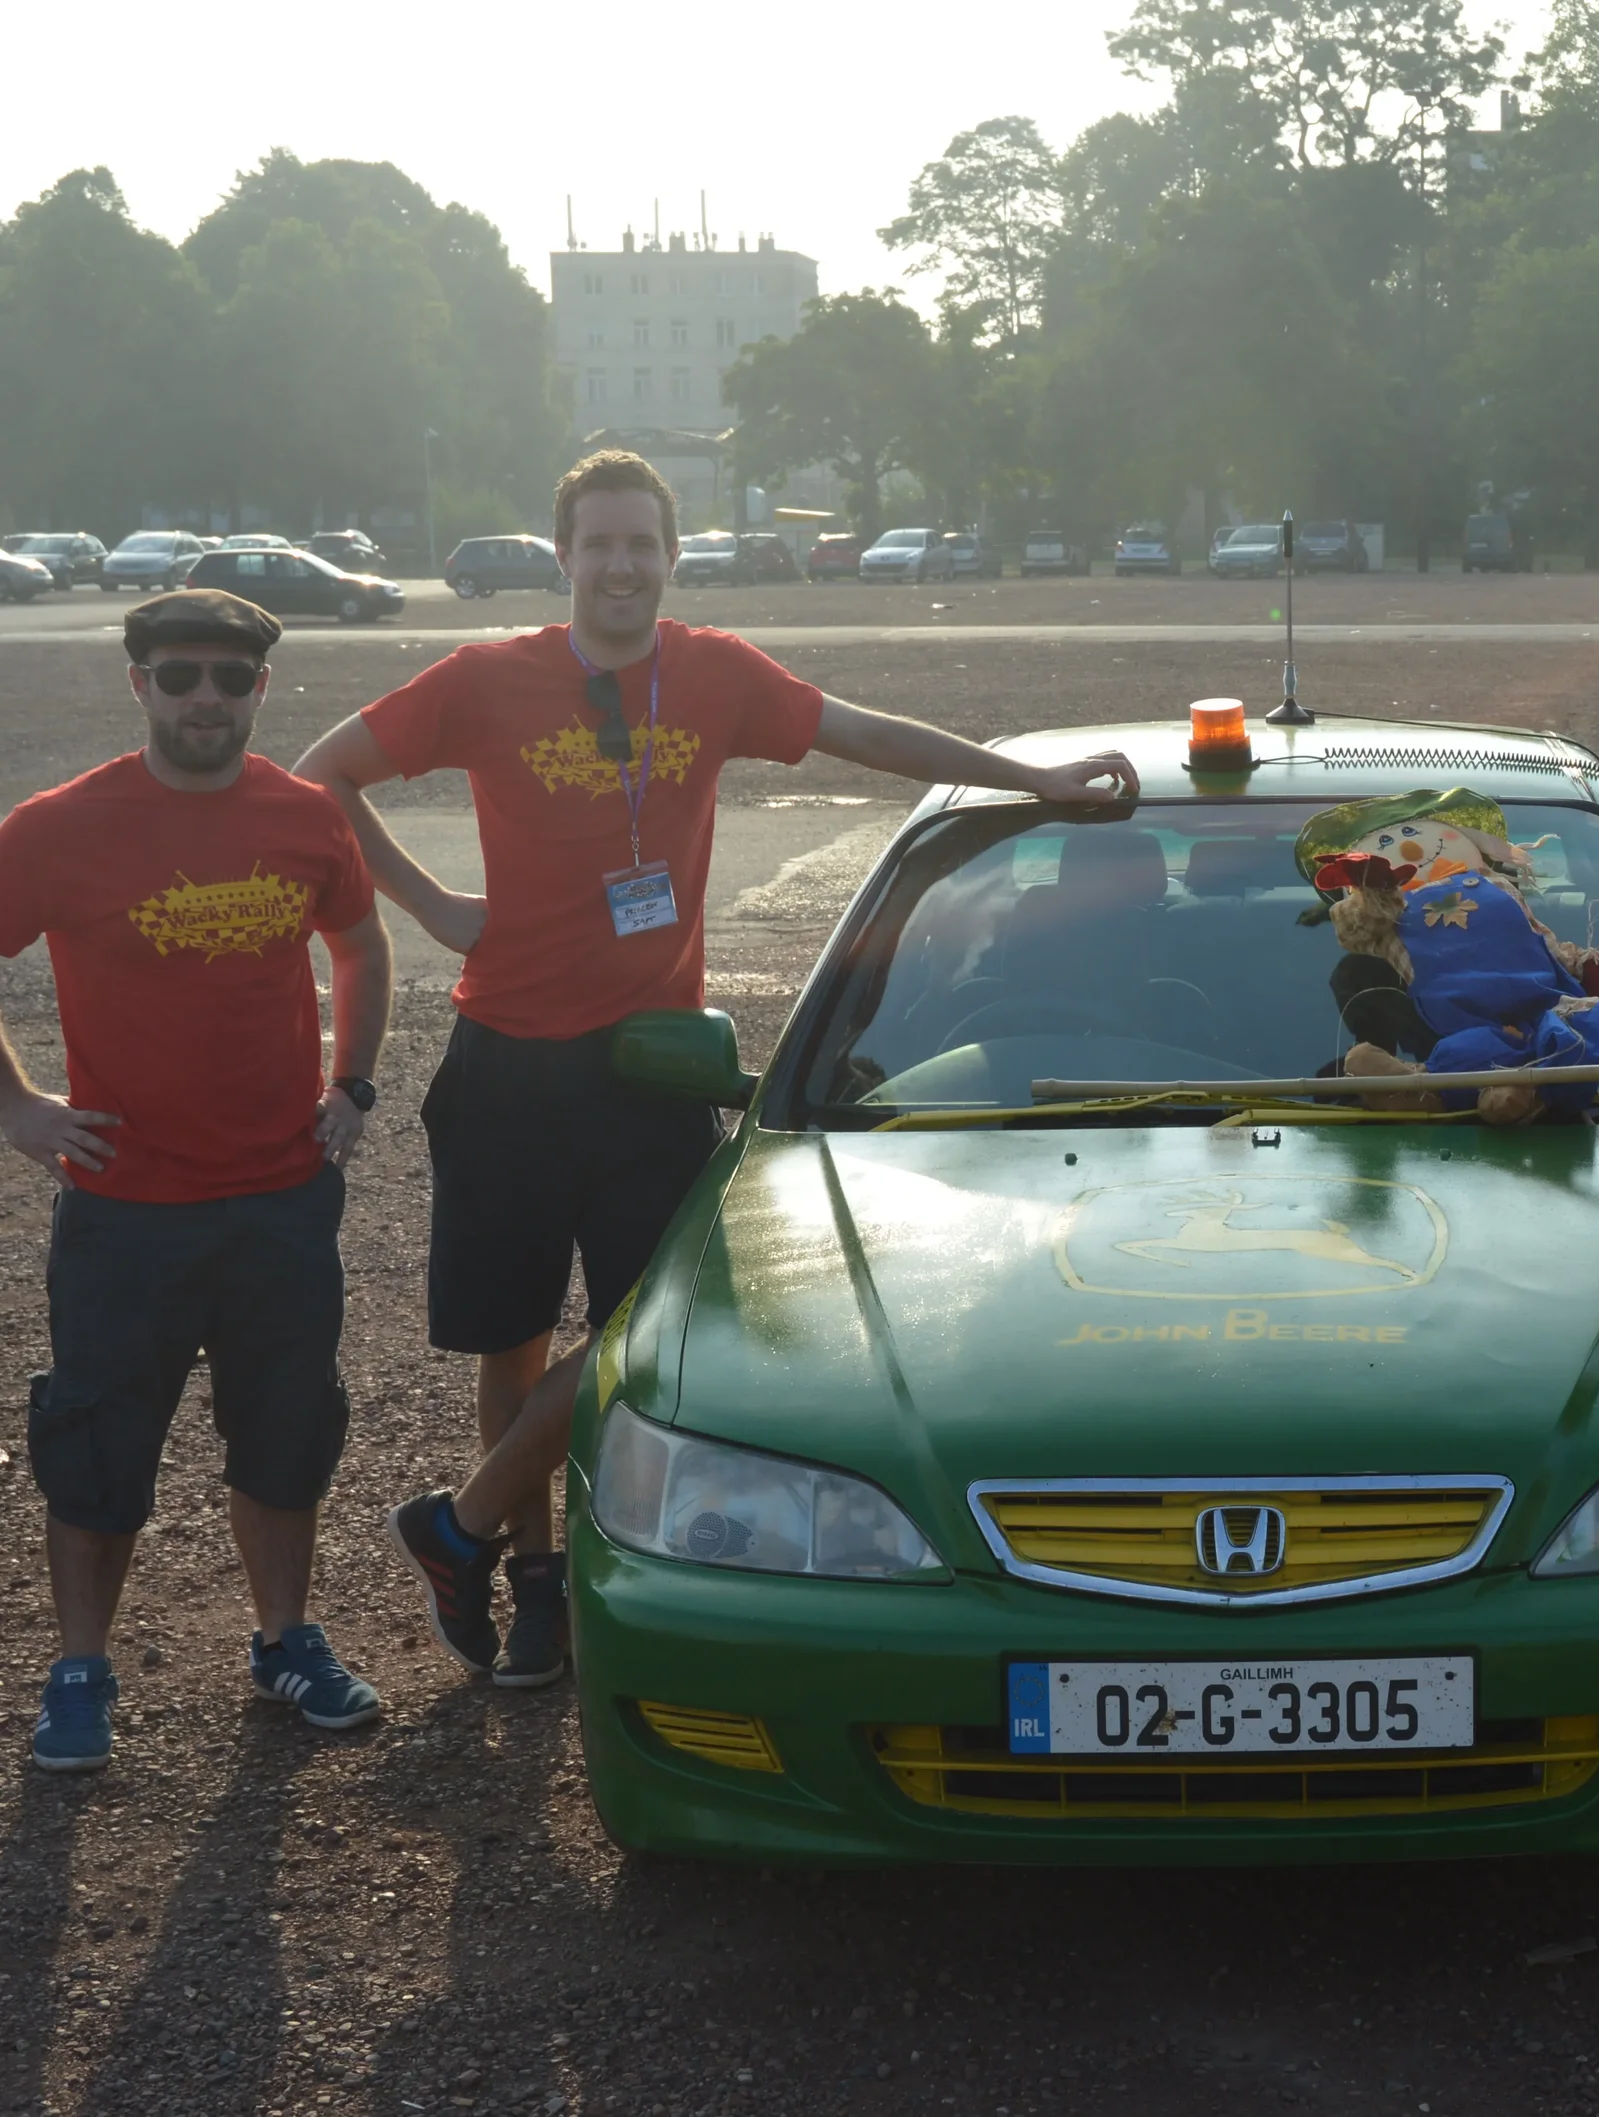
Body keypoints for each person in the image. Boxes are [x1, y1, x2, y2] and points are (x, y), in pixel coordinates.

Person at [296, 450, 1138, 1689]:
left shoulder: (713, 673)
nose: (622, 565)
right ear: (564, 555)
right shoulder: (485, 678)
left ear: (671, 557)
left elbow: (867, 734)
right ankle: (532, 1585)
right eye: (600, 545)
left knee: (649, 1332)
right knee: (515, 1339)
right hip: (509, 1062)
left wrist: (1035, 781)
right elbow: (325, 770)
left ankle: (460, 1518)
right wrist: (429, 906)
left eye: (644, 545)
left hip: (651, 1064)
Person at [5, 589, 393, 1771]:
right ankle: (80, 1667)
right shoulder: (58, 828)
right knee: (97, 1441)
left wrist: (355, 1086)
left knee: (285, 1433)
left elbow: (361, 943)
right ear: (140, 685)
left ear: (262, 690)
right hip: (127, 1208)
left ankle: (284, 1640)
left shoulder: (304, 815)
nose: (207, 699)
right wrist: (18, 1104)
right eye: (181, 676)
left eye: (232, 678)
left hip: (280, 1197)